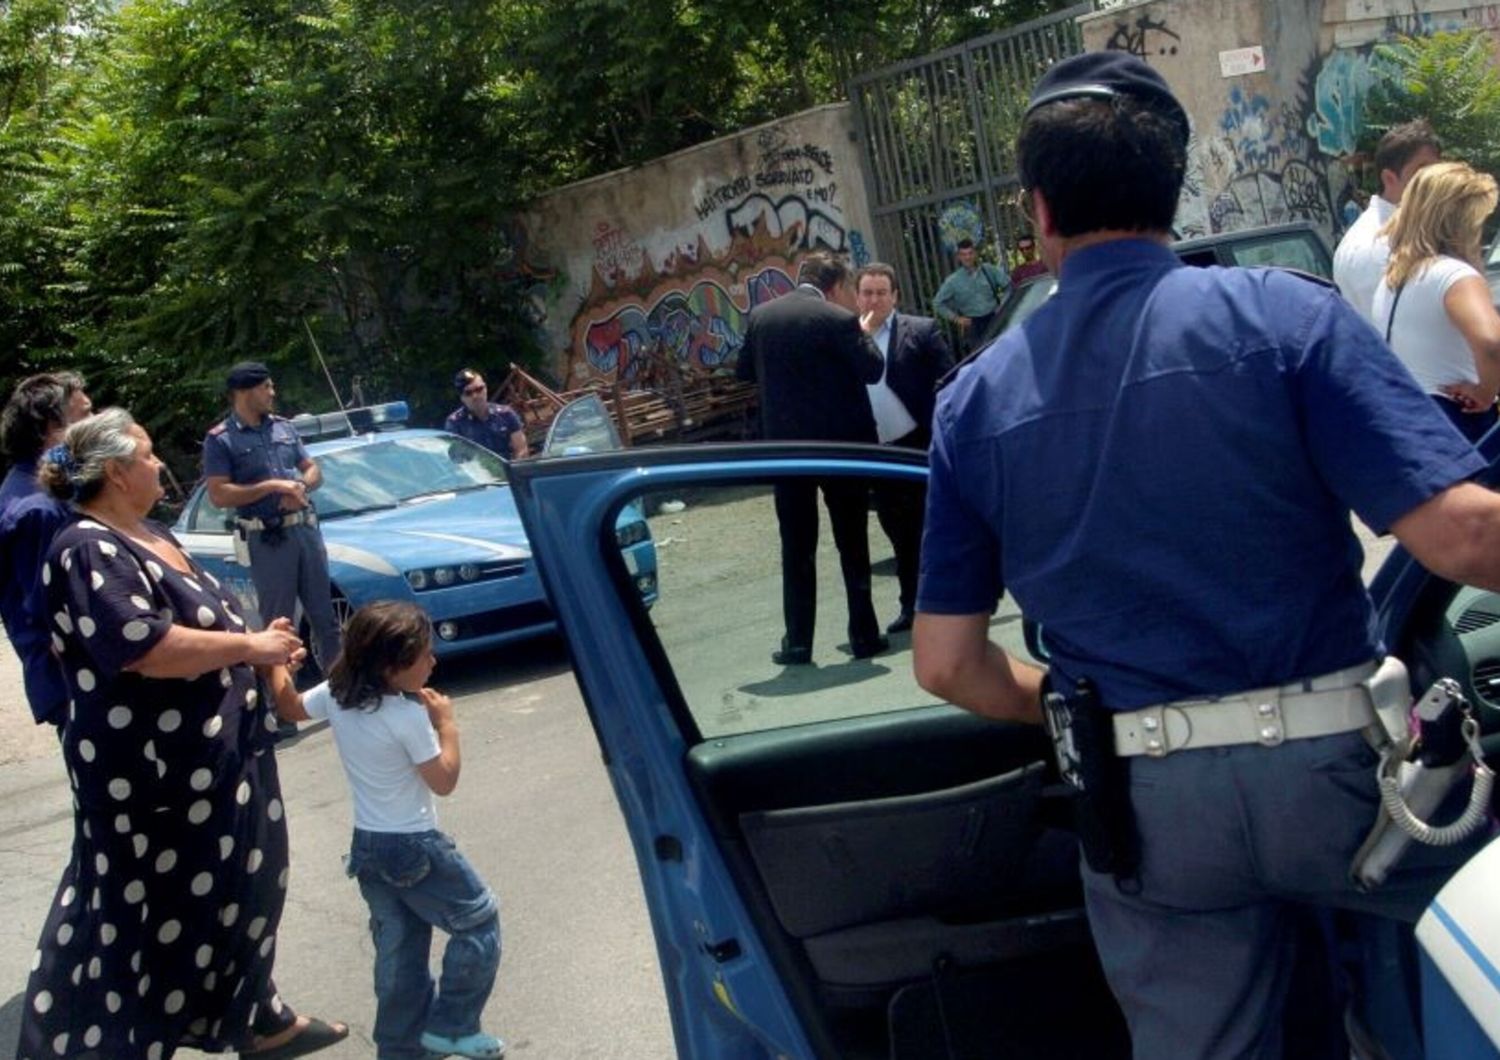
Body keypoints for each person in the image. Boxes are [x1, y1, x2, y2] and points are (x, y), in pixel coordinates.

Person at [912, 51, 1500, 1059]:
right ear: (1172, 191)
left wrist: (1069, 700)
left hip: (1146, 807)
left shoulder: (975, 401)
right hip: (1347, 782)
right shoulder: (1283, 316)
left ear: (1039, 213)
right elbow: (1465, 534)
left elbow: (947, 663)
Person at [18, 407, 348, 1060]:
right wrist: (248, 644)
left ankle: (255, 1016)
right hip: (154, 784)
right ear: (115, 472)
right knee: (141, 922)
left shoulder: (148, 531)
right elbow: (139, 644)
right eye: (146, 453)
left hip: (219, 763)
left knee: (242, 895)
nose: (159, 463)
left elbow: (209, 627)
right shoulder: (86, 546)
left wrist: (260, 649)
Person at [272, 601, 504, 1060]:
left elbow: (291, 708)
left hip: (369, 848)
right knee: (479, 923)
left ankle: (400, 1049)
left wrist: (273, 665)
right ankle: (454, 1027)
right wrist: (448, 726)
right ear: (392, 666)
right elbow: (444, 781)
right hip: (415, 845)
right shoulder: (408, 717)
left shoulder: (338, 694)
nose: (433, 662)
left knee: (400, 952)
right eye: (424, 656)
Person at [735, 251, 888, 664]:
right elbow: (873, 370)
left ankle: (798, 641)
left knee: (797, 547)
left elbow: (742, 372)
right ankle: (864, 636)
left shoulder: (763, 317)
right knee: (852, 543)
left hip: (785, 454)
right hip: (842, 451)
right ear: (836, 286)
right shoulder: (840, 321)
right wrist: (864, 331)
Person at [203, 362, 342, 674]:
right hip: (268, 538)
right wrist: (272, 486)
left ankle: (342, 697)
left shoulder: (283, 427)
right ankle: (282, 706)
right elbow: (219, 494)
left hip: (304, 530)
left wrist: (300, 485)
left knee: (326, 619)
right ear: (244, 392)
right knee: (279, 626)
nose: (272, 393)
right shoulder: (221, 439)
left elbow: (311, 468)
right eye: (265, 387)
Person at [854, 262, 954, 634]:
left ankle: (949, 604)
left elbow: (949, 382)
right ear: (857, 296)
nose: (874, 299)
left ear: (895, 296)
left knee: (933, 528)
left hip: (918, 447)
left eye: (882, 292)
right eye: (867, 292)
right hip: (877, 453)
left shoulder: (922, 330)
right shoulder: (849, 338)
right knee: (897, 532)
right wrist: (859, 338)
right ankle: (911, 606)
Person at [1373, 161, 1500, 444]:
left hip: (1406, 417)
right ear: (1461, 221)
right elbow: (1493, 344)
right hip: (1459, 420)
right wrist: (1485, 392)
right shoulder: (1455, 276)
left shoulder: (1393, 279)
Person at [0, 371, 92, 727]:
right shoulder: (36, 509)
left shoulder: (40, 492)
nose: (96, 425)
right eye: (84, 417)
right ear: (50, 429)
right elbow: (51, 611)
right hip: (76, 684)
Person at [1333, 119, 1441, 325]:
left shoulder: (1401, 234)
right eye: (1421, 171)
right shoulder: (1380, 245)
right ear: (1390, 179)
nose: (1434, 181)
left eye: (1436, 172)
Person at [931, 237, 1011, 351]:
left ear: (975, 254)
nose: (967, 257)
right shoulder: (953, 281)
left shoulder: (988, 270)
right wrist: (956, 318)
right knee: (980, 357)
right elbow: (937, 303)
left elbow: (1008, 285)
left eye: (970, 253)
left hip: (994, 318)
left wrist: (1003, 305)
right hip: (973, 325)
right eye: (963, 254)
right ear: (959, 257)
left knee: (1004, 351)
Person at [445, 369, 529, 459]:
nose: (475, 396)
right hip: (477, 471)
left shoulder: (506, 414)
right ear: (462, 397)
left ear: (486, 388)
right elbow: (457, 460)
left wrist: (515, 470)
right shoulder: (455, 423)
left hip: (508, 470)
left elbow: (522, 451)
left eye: (479, 389)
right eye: (468, 393)